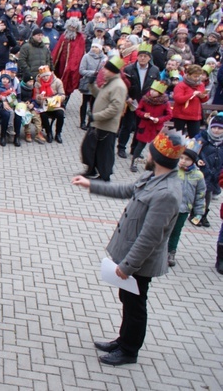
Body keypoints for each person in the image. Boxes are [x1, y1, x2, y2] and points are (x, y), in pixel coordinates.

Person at [72, 130, 183, 367]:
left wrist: (128, 266)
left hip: (140, 263)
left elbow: (150, 238)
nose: (145, 155)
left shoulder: (167, 193)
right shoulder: (154, 177)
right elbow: (125, 191)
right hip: (133, 259)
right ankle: (122, 341)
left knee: (135, 306)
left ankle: (129, 351)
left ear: (159, 157)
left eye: (150, 152)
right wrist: (91, 184)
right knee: (128, 299)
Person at [81, 54, 128, 181]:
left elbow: (115, 109)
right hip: (98, 123)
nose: (103, 71)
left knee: (104, 152)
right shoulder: (110, 83)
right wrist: (92, 85)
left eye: (106, 69)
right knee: (90, 148)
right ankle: (91, 169)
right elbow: (100, 95)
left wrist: (95, 116)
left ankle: (105, 175)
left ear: (112, 71)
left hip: (107, 125)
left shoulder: (118, 86)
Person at [117, 45, 160, 159]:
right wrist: (127, 97)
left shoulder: (154, 70)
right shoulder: (129, 69)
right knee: (127, 125)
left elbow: (157, 86)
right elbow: (122, 85)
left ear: (149, 58)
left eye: (145, 56)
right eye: (140, 56)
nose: (142, 58)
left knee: (140, 127)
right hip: (132, 101)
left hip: (145, 103)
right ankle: (121, 147)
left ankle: (135, 149)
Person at [167, 139, 205, 267]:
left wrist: (199, 212)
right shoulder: (172, 170)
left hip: (183, 209)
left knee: (175, 232)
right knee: (162, 229)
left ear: (193, 161)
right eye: (181, 158)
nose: (183, 161)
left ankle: (171, 252)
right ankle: (157, 251)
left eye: (187, 159)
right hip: (168, 207)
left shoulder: (198, 175)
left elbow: (200, 195)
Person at [129, 80, 172, 172]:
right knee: (140, 146)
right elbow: (138, 110)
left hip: (156, 128)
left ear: (160, 92)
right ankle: (134, 164)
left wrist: (159, 119)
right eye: (151, 90)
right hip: (145, 126)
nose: (152, 92)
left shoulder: (165, 102)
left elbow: (169, 115)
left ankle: (151, 165)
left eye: (155, 91)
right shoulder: (145, 99)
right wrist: (144, 115)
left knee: (155, 148)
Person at [171, 64, 208, 137]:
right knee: (177, 138)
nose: (197, 78)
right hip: (180, 115)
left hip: (195, 116)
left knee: (194, 138)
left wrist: (203, 96)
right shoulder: (181, 85)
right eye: (195, 76)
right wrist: (192, 94)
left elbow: (203, 100)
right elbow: (178, 99)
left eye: (198, 76)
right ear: (188, 75)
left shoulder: (201, 85)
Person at [34, 65, 66, 143]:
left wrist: (55, 99)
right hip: (44, 106)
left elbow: (63, 95)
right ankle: (49, 133)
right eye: (43, 76)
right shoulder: (38, 83)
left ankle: (58, 133)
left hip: (55, 105)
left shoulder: (57, 81)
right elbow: (36, 97)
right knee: (43, 115)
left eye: (47, 76)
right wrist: (40, 98)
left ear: (51, 74)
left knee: (60, 114)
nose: (45, 78)